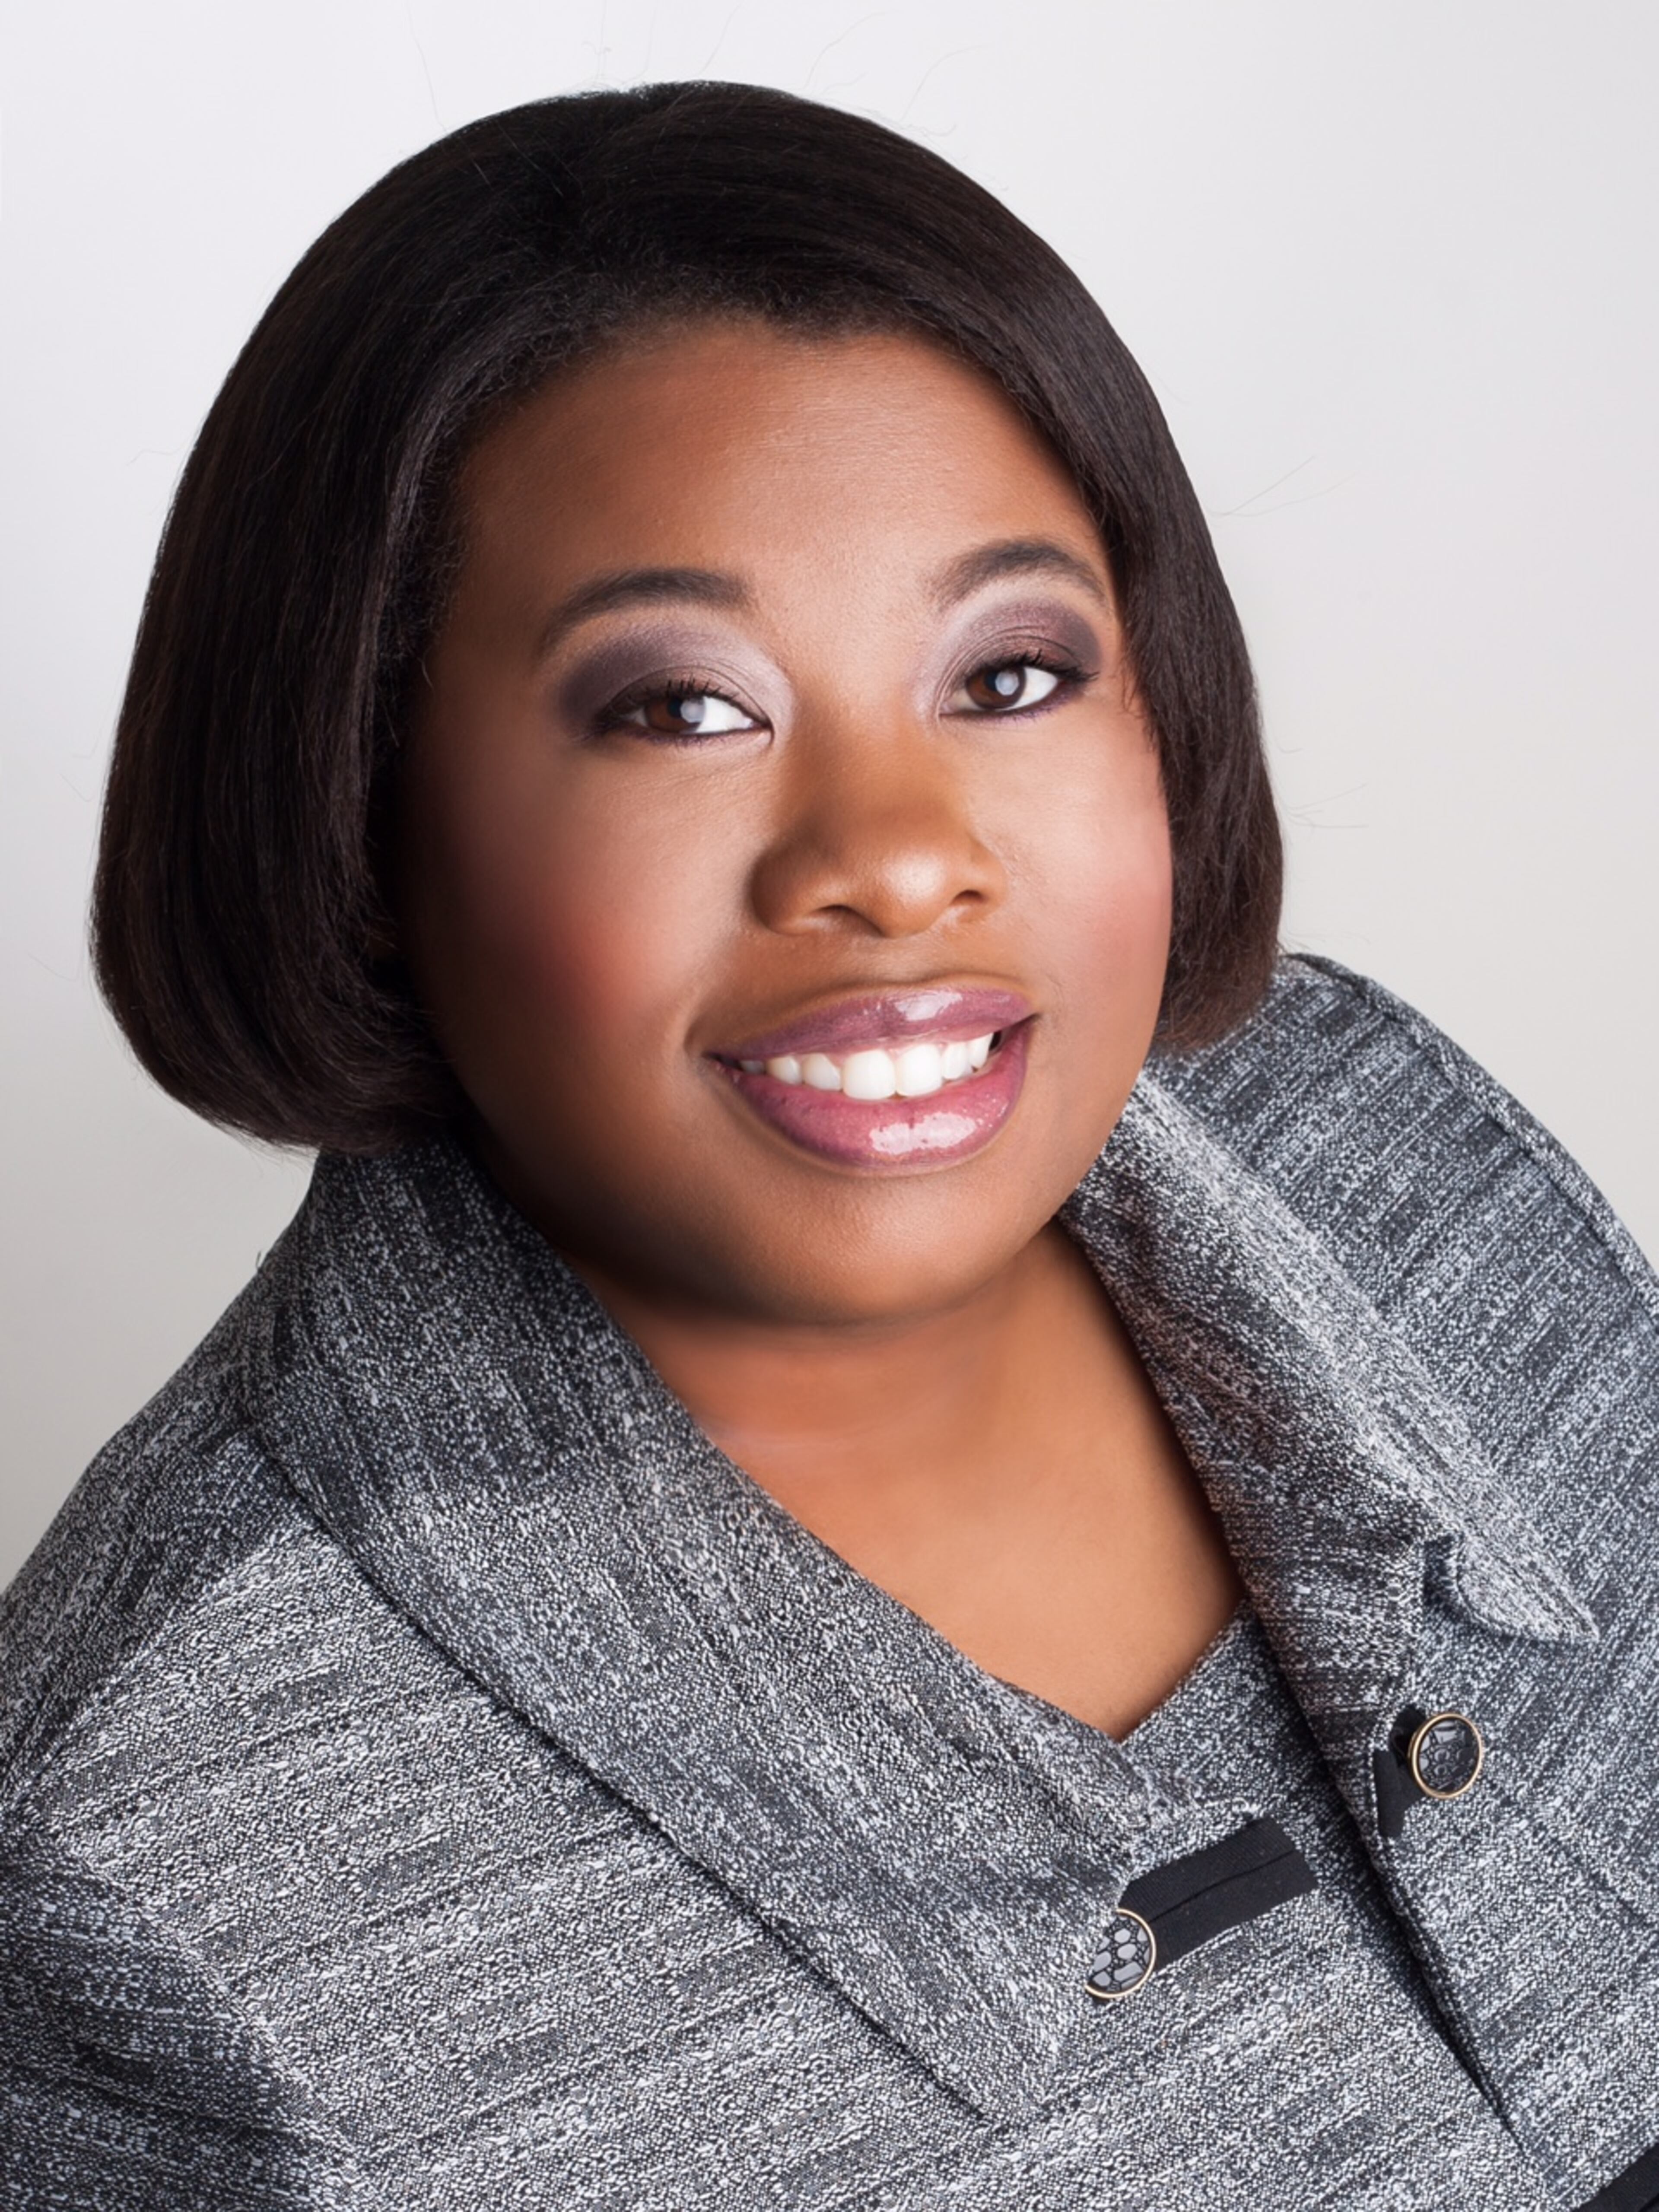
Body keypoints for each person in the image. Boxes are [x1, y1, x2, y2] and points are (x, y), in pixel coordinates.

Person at [2, 80, 1656, 2211]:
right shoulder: (152, 1877)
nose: (892, 852)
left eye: (1014, 671)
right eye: (682, 707)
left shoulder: (1378, 1142)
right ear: (362, 806)